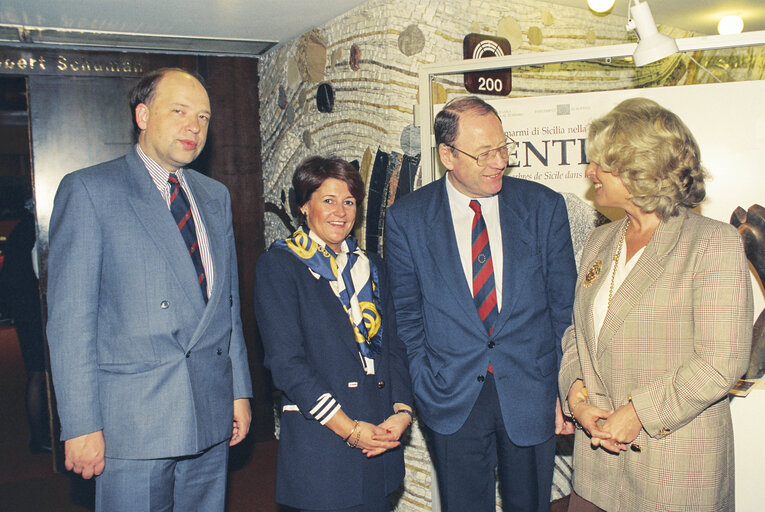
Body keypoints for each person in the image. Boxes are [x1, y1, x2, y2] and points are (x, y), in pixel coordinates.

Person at [46, 68, 252, 511]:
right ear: (142, 115)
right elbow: (70, 323)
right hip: (133, 423)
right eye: (178, 111)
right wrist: (80, 423)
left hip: (209, 410)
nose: (193, 126)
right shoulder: (90, 190)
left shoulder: (214, 196)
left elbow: (226, 307)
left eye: (203, 117)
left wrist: (238, 391)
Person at [559, 97, 753, 511]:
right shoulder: (600, 240)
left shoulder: (711, 243)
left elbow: (722, 361)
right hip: (595, 472)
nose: (589, 172)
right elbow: (578, 332)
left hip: (673, 474)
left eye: (600, 163)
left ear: (639, 171)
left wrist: (637, 414)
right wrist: (576, 396)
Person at [384, 96, 577, 512]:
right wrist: (423, 383)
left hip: (532, 391)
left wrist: (566, 386)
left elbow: (564, 310)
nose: (498, 162)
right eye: (484, 153)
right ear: (447, 155)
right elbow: (406, 317)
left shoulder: (543, 207)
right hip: (450, 397)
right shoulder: (407, 218)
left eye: (503, 147)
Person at [254, 156, 413, 512]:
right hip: (323, 445)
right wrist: (351, 431)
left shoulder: (373, 267)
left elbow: (395, 347)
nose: (340, 212)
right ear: (303, 205)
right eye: (328, 200)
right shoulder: (279, 266)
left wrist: (402, 412)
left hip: (380, 439)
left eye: (349, 201)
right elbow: (287, 365)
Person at [0, 200, 50, 454]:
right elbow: (40, 275)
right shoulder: (34, 233)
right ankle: (40, 437)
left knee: (36, 374)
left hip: (25, 314)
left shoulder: (20, 232)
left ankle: (39, 436)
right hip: (33, 314)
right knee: (39, 374)